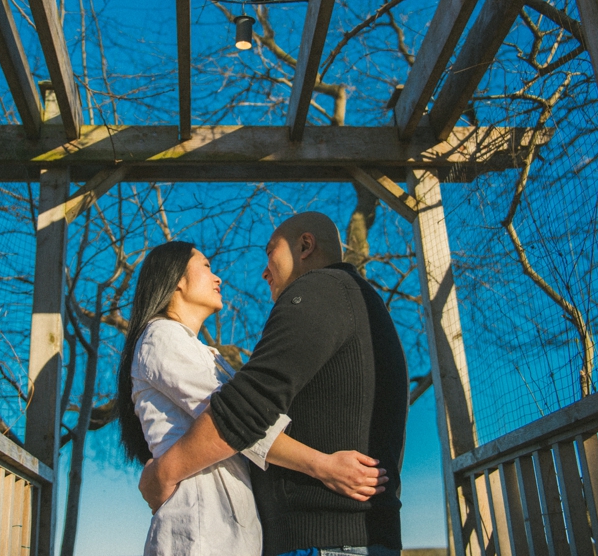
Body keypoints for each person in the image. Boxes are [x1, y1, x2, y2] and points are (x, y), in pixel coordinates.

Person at [138, 213, 410, 556]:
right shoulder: (352, 299)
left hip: (326, 539)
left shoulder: (319, 289)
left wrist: (163, 472)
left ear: (305, 246)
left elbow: (243, 412)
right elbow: (247, 412)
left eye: (270, 253)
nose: (264, 270)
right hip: (335, 537)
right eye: (206, 266)